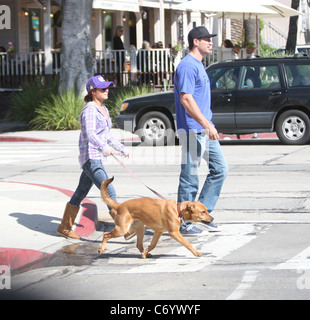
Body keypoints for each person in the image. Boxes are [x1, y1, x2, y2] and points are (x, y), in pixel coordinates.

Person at [57, 75, 134, 240]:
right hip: (91, 157)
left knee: (81, 191)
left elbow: (107, 135)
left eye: (107, 88)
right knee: (108, 189)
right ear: (92, 92)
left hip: (97, 157)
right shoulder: (90, 110)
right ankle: (123, 228)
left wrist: (121, 148)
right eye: (102, 89)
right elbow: (91, 134)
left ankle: (64, 227)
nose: (107, 91)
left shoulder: (104, 110)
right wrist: (104, 147)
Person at [174, 26, 229, 236]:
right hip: (193, 130)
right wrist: (206, 124)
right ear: (195, 42)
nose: (210, 42)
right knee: (190, 178)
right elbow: (186, 98)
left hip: (204, 129)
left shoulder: (198, 65)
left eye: (210, 39)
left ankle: (202, 214)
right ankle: (183, 223)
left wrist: (208, 125)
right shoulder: (187, 66)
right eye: (206, 39)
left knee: (221, 169)